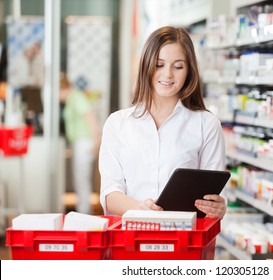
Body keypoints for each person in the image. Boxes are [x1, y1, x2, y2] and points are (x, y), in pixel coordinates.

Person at [99, 26, 227, 219]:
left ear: (189, 71)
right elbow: (109, 194)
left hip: (184, 240)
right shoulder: (117, 124)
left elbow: (213, 194)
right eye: (159, 64)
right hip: (131, 237)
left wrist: (217, 208)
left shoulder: (206, 124)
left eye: (178, 66)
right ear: (146, 65)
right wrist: (140, 209)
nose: (168, 74)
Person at [60, 73, 100, 214]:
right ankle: (83, 211)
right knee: (81, 180)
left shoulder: (76, 97)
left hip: (85, 143)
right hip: (79, 143)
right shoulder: (73, 99)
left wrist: (96, 142)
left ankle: (84, 213)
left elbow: (91, 118)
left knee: (82, 180)